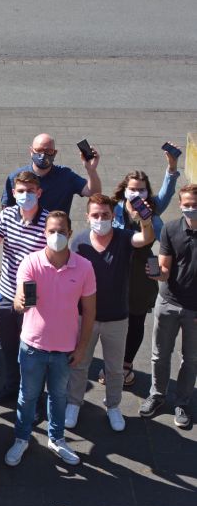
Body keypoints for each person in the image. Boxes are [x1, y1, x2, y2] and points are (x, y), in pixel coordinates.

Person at [5, 212, 96, 468]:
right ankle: (22, 438)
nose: (56, 236)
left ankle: (56, 439)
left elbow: (89, 311)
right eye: (52, 231)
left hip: (65, 349)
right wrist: (20, 303)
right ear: (44, 234)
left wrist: (82, 347)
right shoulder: (31, 262)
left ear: (69, 233)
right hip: (33, 346)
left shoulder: (84, 267)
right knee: (27, 396)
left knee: (58, 397)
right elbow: (19, 300)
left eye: (61, 231)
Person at [66, 194, 154, 432]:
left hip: (117, 318)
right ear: (87, 217)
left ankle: (113, 406)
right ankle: (74, 403)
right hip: (85, 317)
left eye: (105, 215)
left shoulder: (124, 238)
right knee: (79, 363)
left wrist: (145, 220)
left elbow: (146, 238)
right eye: (95, 215)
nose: (100, 219)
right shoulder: (79, 242)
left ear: (113, 216)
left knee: (115, 369)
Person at [0, 171, 48, 406]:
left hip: (33, 300)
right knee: (8, 348)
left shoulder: (48, 222)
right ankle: (11, 387)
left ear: (39, 193)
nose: (26, 195)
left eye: (30, 191)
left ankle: (33, 398)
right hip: (6, 295)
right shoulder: (7, 216)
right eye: (21, 191)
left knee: (32, 351)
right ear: (14, 193)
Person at [111, 145, 182, 383]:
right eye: (132, 189)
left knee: (136, 320)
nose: (137, 194)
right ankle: (113, 364)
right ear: (125, 190)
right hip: (116, 271)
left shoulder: (151, 209)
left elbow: (167, 192)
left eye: (141, 190)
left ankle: (126, 365)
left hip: (141, 273)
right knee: (113, 321)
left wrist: (171, 167)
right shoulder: (114, 209)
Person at [139, 184, 197, 429]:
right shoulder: (171, 229)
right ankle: (157, 395)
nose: (191, 209)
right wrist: (157, 274)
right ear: (180, 204)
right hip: (168, 302)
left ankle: (182, 402)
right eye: (187, 204)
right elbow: (164, 269)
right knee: (159, 355)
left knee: (191, 359)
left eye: (195, 205)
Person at [2, 133, 101, 214]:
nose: (43, 155)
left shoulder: (66, 176)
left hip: (56, 230)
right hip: (24, 230)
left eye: (48, 151)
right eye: (39, 150)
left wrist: (91, 170)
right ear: (31, 151)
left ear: (55, 153)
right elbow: (6, 211)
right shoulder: (16, 177)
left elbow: (93, 193)